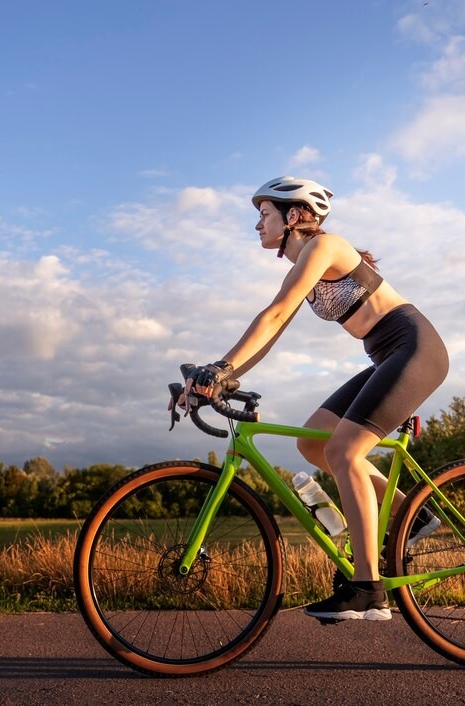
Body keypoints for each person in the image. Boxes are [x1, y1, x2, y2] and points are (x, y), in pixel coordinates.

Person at [180, 176, 448, 621]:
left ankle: (368, 588)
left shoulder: (324, 247)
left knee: (343, 450)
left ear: (295, 216)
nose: (257, 225)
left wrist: (221, 369)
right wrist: (219, 378)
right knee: (313, 443)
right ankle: (411, 517)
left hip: (414, 348)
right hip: (386, 356)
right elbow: (270, 334)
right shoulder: (303, 264)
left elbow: (275, 312)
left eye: (264, 215)